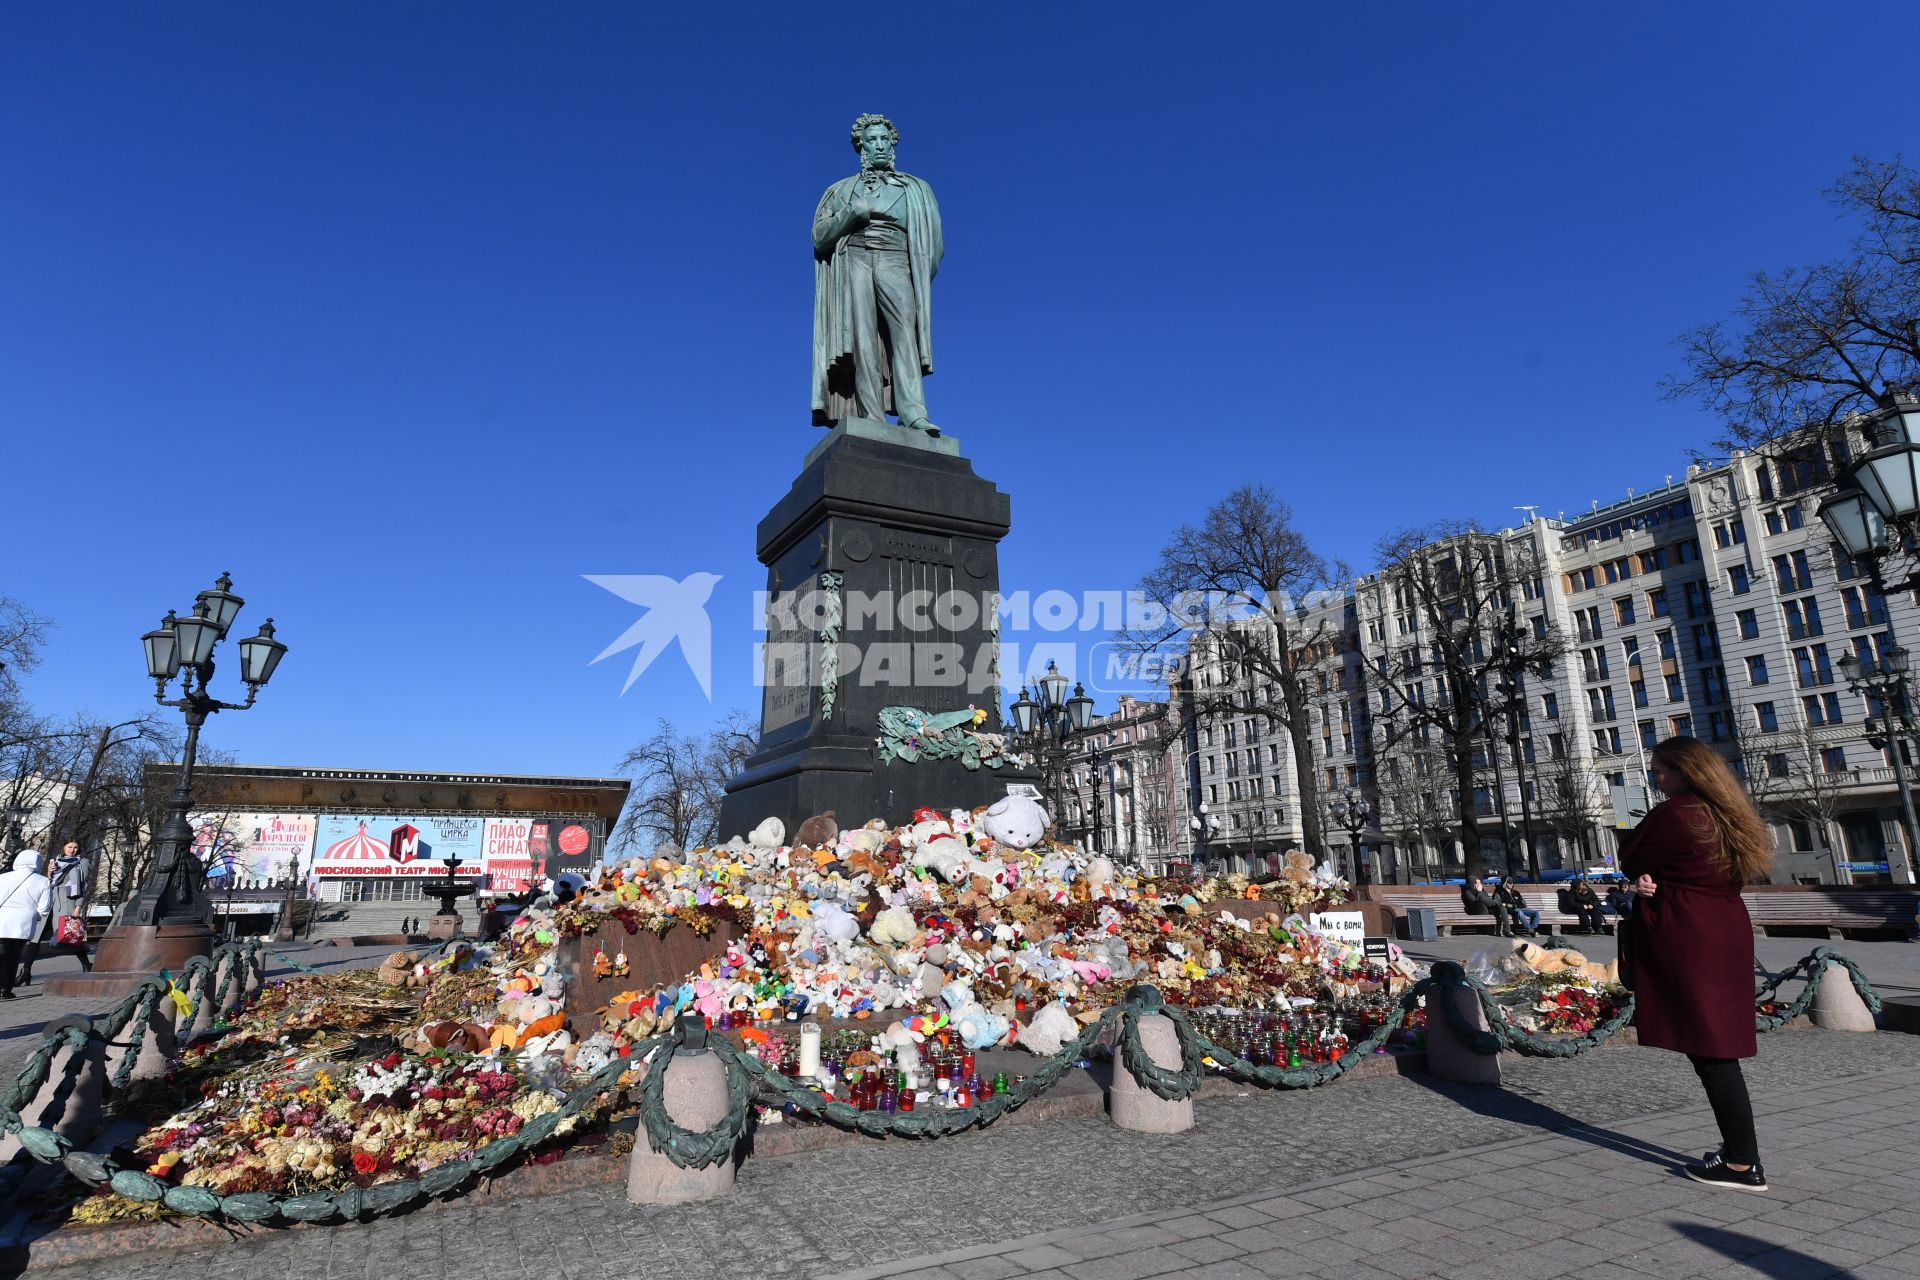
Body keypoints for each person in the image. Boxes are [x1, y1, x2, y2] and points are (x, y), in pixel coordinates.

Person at [1621, 736, 1774, 1192]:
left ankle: (1743, 1163)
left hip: (1691, 932)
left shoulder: (1678, 813)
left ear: (1686, 771)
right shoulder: (1730, 813)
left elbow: (1634, 856)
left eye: (1661, 769)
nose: (1656, 777)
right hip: (1726, 926)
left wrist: (1646, 881)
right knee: (1717, 1042)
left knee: (1712, 1052)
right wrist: (1653, 882)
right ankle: (1738, 1154)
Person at [812, 113, 944, 436]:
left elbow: (935, 244)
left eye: (885, 139)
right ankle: (870, 416)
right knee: (862, 338)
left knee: (904, 333)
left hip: (898, 258)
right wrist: (850, 213)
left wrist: (917, 272)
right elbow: (818, 236)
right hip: (854, 256)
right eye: (872, 140)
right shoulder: (841, 190)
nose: (880, 145)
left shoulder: (916, 189)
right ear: (861, 147)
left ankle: (914, 413)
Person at [16, 840, 93, 982]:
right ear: (63, 847)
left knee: (71, 936)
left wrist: (78, 906)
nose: (73, 850)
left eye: (76, 847)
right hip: (49, 900)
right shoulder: (56, 861)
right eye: (69, 847)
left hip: (68, 901)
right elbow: (49, 882)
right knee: (35, 938)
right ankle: (25, 972)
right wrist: (49, 873)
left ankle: (86, 965)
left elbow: (84, 886)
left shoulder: (83, 862)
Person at [0, 849, 53, 999]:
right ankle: (6, 988)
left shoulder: (3, 877)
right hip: (23, 923)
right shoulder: (43, 881)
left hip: (2, 919)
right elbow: (44, 908)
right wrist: (34, 916)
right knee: (14, 956)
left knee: (2, 953)